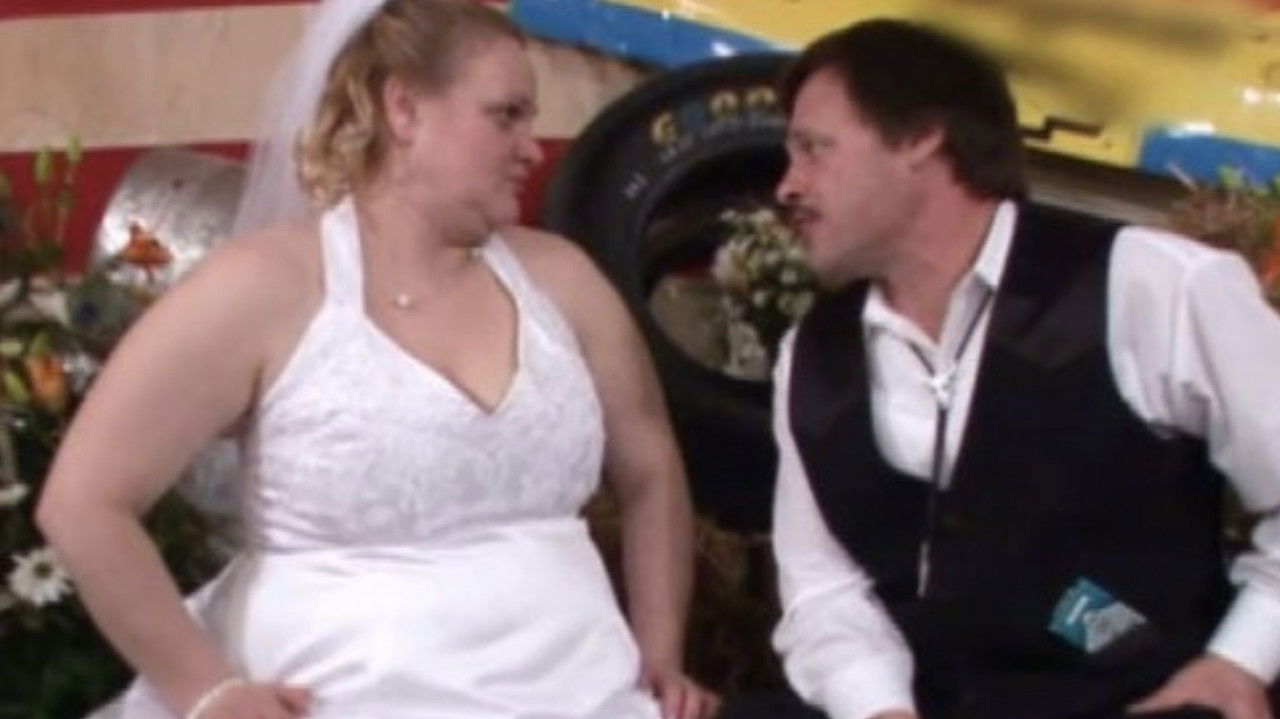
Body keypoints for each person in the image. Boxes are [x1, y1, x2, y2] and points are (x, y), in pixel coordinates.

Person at [35, 1, 720, 718]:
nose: (531, 147)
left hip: (583, 692)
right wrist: (208, 692)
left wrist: (660, 653)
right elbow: (83, 502)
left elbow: (651, 469)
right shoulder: (264, 285)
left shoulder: (565, 279)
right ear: (404, 109)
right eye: (506, 115)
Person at [756, 17, 1280, 719]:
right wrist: (880, 708)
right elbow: (824, 589)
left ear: (921, 138)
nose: (787, 186)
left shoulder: (1148, 286)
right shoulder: (815, 355)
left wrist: (1239, 661)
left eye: (814, 149)